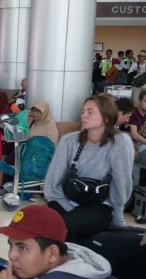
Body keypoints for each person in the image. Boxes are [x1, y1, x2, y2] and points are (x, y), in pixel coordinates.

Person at [44, 94, 133, 237]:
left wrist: (117, 218)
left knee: (64, 228)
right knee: (42, 227)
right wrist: (68, 207)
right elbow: (53, 182)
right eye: (83, 111)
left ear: (106, 117)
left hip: (99, 205)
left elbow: (121, 183)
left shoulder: (119, 142)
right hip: (65, 200)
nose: (84, 116)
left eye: (90, 112)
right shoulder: (69, 141)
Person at [0, 100, 59, 193]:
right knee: (10, 159)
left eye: (38, 112)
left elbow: (52, 143)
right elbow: (22, 130)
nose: (35, 114)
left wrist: (36, 144)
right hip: (26, 149)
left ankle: (24, 188)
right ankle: (8, 186)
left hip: (39, 154)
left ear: (44, 112)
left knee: (24, 165)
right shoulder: (31, 121)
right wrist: (28, 116)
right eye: (33, 111)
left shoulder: (50, 124)